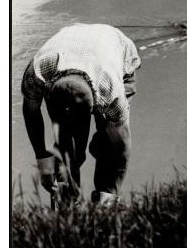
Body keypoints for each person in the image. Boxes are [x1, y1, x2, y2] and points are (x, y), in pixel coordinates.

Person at [21, 23, 141, 204]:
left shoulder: (110, 91)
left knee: (109, 140)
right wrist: (43, 161)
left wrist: (110, 193)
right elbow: (31, 113)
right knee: (65, 144)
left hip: (116, 49)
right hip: (69, 43)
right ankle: (67, 202)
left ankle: (103, 204)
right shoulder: (37, 74)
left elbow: (122, 146)